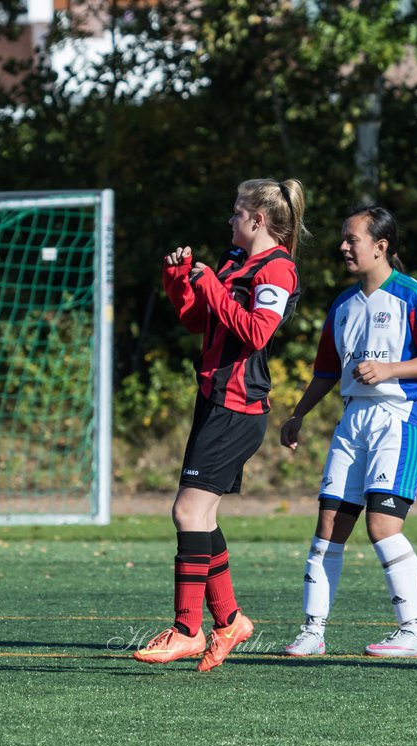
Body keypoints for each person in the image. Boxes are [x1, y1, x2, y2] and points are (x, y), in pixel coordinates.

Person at [135, 178, 307, 671]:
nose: (230, 221)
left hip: (239, 406)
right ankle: (230, 620)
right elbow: (197, 320)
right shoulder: (235, 260)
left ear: (258, 220)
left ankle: (188, 628)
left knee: (187, 514)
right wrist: (180, 280)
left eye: (237, 213)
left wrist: (208, 282)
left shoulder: (279, 269)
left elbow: (255, 332)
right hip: (214, 399)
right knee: (201, 517)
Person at [280, 205, 417, 658]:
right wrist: (298, 415)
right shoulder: (342, 305)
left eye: (351, 239)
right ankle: (312, 631)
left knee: (381, 525)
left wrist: (390, 369)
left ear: (381, 246)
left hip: (401, 419)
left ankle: (415, 630)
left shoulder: (414, 296)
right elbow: (326, 371)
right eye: (343, 238)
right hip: (353, 420)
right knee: (328, 526)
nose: (343, 246)